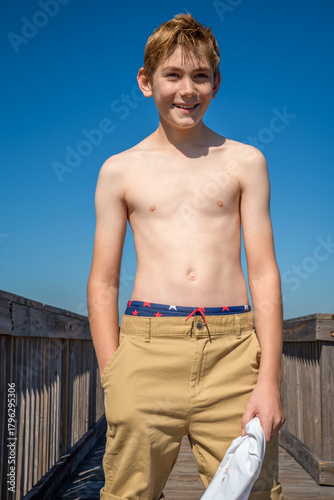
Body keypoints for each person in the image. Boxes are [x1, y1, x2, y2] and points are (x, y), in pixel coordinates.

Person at [87, 13, 285, 500]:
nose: (186, 89)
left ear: (216, 83)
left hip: (233, 352)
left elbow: (263, 273)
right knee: (128, 493)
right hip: (146, 349)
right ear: (145, 81)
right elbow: (103, 283)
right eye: (172, 75)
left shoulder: (245, 161)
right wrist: (114, 374)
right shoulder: (119, 170)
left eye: (200, 76)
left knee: (254, 492)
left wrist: (269, 379)